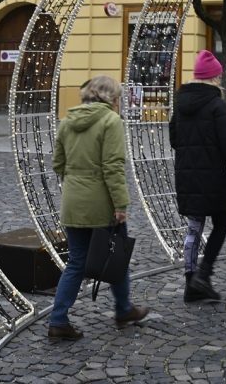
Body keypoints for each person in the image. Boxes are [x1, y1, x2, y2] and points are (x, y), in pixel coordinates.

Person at [48, 75, 148, 340]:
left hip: (72, 201)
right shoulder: (111, 121)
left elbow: (57, 163)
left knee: (76, 262)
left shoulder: (67, 120)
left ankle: (58, 319)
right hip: (102, 203)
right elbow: (113, 166)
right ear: (112, 97)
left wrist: (75, 182)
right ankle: (123, 308)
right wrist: (120, 204)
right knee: (117, 257)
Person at [169, 49, 226, 302]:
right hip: (213, 175)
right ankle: (203, 275)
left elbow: (174, 140)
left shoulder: (180, 103)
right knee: (222, 222)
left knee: (194, 228)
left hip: (187, 175)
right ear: (213, 78)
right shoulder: (217, 105)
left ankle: (190, 283)